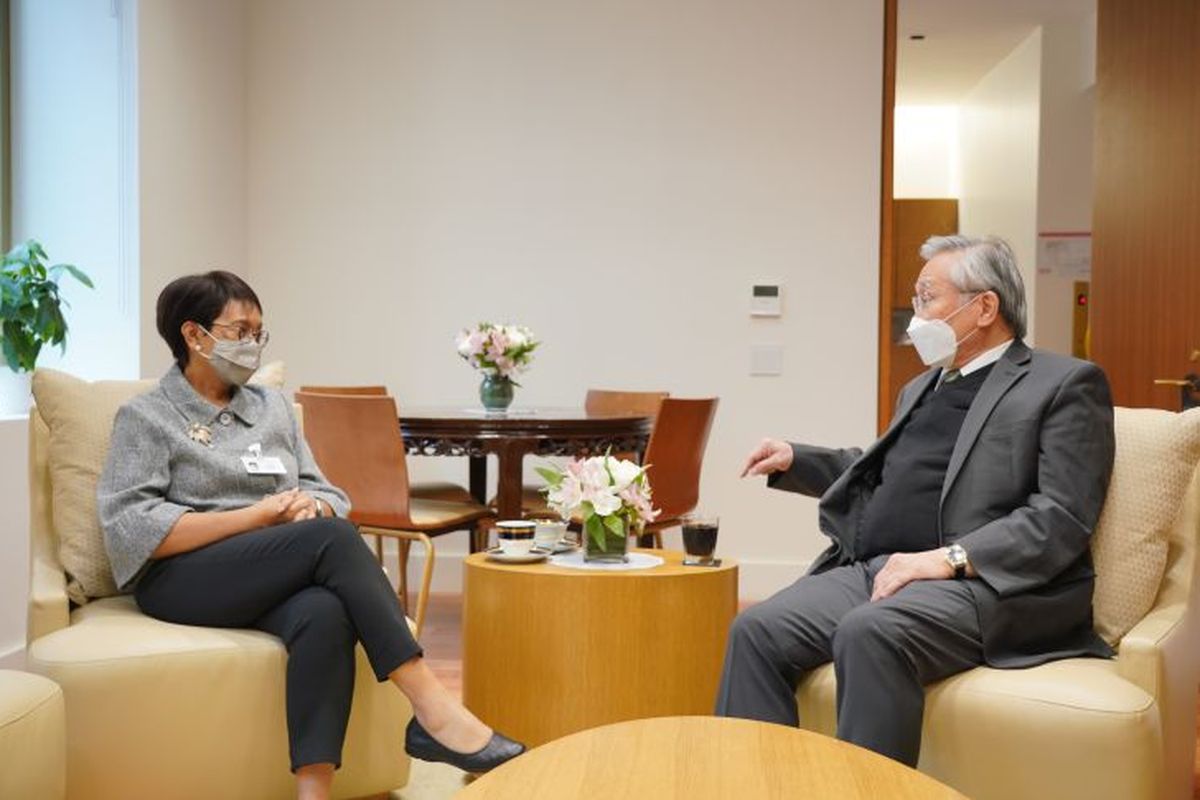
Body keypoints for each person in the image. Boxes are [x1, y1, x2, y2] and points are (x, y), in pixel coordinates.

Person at [97, 271, 523, 800]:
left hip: (274, 565)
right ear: (193, 335)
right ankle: (432, 708)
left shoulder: (272, 408)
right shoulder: (146, 417)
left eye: (259, 332)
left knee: (325, 610)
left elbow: (332, 494)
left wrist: (310, 505)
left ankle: (313, 792)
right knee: (334, 541)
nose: (252, 343)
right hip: (183, 577)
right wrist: (259, 516)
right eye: (240, 330)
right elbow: (130, 528)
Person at [716, 235, 1115, 766]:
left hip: (984, 582)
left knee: (869, 631)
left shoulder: (1062, 383)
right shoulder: (923, 387)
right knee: (756, 630)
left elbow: (1061, 517)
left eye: (928, 298)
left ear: (985, 307)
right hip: (885, 568)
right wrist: (797, 458)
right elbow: (886, 472)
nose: (915, 315)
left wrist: (944, 560)